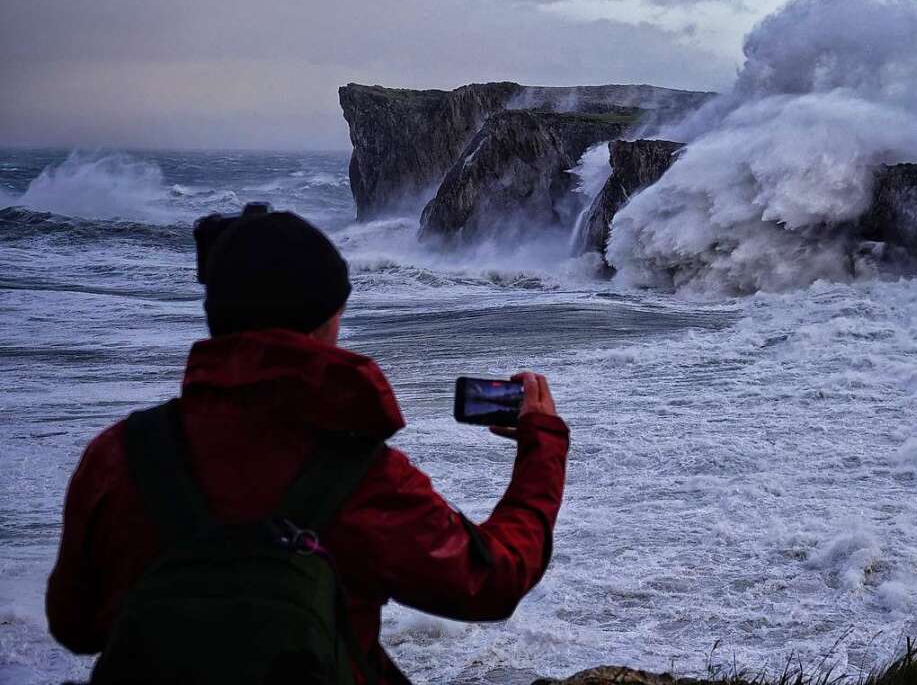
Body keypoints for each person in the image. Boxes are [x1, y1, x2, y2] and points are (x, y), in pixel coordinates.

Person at [46, 210, 570, 684]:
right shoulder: (360, 475)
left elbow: (76, 625)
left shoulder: (120, 455)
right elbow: (489, 580)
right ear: (326, 319)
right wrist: (541, 445)